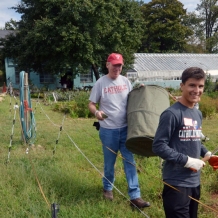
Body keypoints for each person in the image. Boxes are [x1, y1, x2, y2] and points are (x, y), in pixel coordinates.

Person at [88, 53, 150, 208]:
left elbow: (131, 99)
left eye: (119, 65)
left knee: (130, 161)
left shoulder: (126, 81)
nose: (117, 68)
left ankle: (135, 196)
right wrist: (97, 113)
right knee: (110, 163)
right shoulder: (101, 83)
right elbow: (91, 104)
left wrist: (139, 91)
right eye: (114, 65)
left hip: (126, 129)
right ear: (107, 65)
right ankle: (107, 188)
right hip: (108, 130)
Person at [152, 67, 212, 218]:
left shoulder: (197, 113)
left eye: (200, 86)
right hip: (176, 183)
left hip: (194, 183)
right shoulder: (171, 114)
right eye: (192, 85)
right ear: (182, 86)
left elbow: (193, 139)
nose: (196, 90)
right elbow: (158, 146)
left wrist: (206, 153)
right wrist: (187, 161)